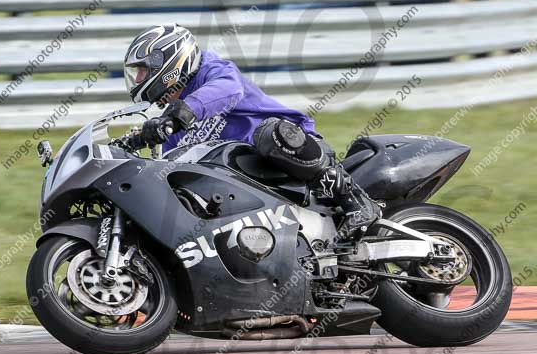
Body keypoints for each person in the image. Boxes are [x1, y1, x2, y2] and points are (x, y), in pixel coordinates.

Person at [123, 24, 380, 239]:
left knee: (269, 134)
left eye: (142, 70)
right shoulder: (174, 125)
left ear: (167, 63)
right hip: (252, 186)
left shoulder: (212, 70)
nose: (137, 80)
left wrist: (180, 114)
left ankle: (354, 199)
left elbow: (229, 89)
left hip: (293, 153)